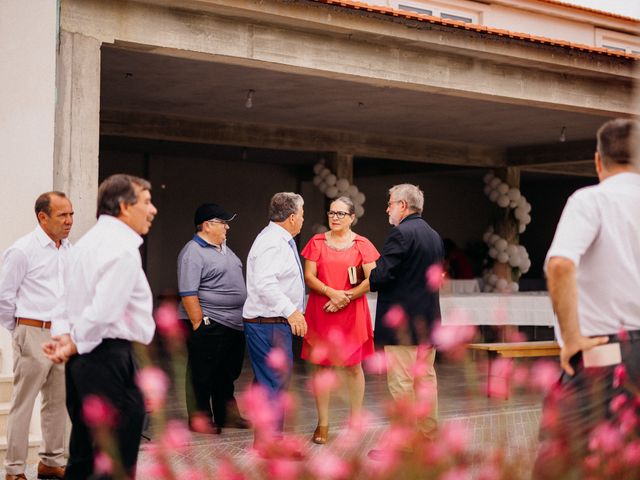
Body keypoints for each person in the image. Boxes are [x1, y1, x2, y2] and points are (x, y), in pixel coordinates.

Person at [532, 119, 640, 479]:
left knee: (561, 463)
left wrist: (572, 337)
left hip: (605, 350)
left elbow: (561, 265)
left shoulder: (592, 199)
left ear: (598, 161)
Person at [43, 174, 158, 479]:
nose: (153, 209)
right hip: (111, 359)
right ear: (123, 206)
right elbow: (106, 310)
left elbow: (63, 302)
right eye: (146, 202)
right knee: (116, 460)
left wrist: (67, 339)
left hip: (82, 363)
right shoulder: (121, 248)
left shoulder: (85, 244)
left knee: (83, 455)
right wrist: (74, 341)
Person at [0, 192, 73, 480]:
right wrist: (19, 330)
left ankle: (51, 461)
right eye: (62, 215)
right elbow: (4, 296)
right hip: (31, 331)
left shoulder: (68, 248)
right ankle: (15, 469)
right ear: (42, 217)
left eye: (71, 214)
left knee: (57, 401)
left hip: (61, 334)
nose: (69, 221)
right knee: (23, 403)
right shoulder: (22, 250)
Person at [368, 184, 443, 452]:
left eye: (389, 203)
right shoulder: (434, 235)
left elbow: (382, 276)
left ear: (402, 205)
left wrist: (369, 272)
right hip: (428, 322)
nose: (387, 209)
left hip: (404, 327)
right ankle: (428, 439)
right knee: (425, 382)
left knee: (401, 384)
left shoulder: (400, 234)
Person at [300, 196, 379, 444]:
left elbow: (372, 279)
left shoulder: (363, 244)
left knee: (354, 367)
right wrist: (331, 293)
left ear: (352, 217)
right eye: (331, 213)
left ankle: (356, 420)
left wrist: (346, 296)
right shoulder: (317, 242)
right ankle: (322, 423)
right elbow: (309, 276)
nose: (334, 218)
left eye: (341, 214)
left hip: (351, 311)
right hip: (322, 308)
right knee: (322, 367)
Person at [242, 192, 307, 451]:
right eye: (302, 214)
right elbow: (265, 283)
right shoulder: (273, 243)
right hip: (269, 323)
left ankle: (265, 441)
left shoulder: (278, 239)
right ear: (292, 217)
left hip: (270, 322)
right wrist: (291, 312)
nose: (303, 219)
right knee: (274, 383)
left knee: (267, 382)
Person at [177, 203, 248, 434]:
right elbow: (188, 292)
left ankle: (226, 415)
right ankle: (200, 420)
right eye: (223, 222)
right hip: (209, 321)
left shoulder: (224, 248)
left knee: (226, 374)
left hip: (232, 323)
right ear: (207, 226)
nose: (227, 227)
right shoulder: (192, 252)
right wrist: (199, 323)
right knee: (202, 374)